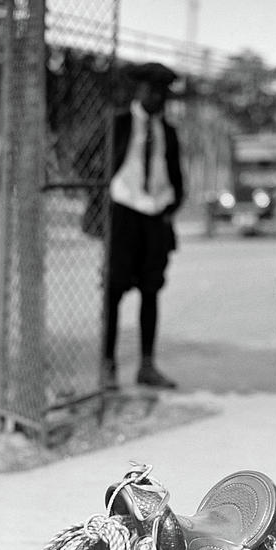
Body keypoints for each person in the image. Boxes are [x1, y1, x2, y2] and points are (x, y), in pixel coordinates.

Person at [103, 61, 184, 390]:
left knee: (151, 292)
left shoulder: (168, 131)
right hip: (123, 214)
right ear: (139, 91)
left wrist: (172, 206)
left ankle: (146, 366)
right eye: (152, 91)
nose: (158, 99)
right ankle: (107, 366)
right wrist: (102, 202)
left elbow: (177, 175)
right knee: (113, 291)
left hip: (156, 218)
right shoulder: (118, 123)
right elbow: (87, 159)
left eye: (163, 93)